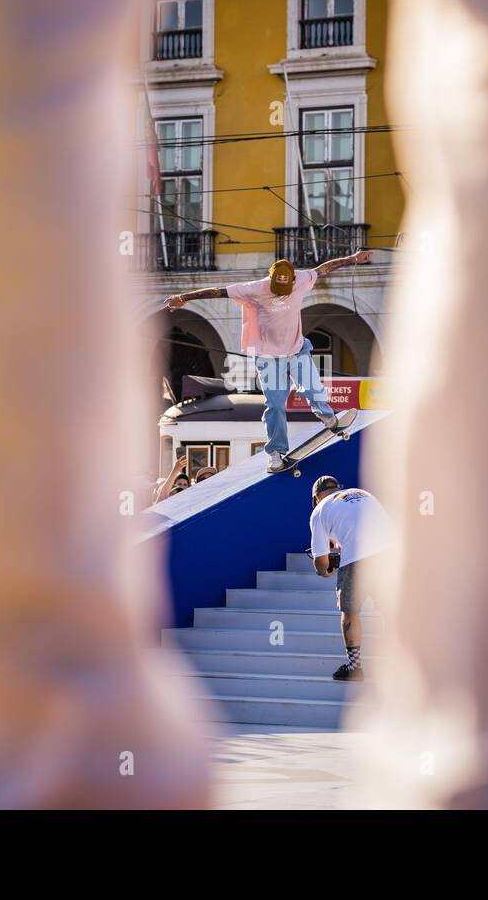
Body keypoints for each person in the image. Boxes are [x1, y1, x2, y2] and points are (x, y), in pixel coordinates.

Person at [163, 251, 372, 472]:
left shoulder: (301, 278)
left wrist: (352, 259)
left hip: (296, 350)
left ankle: (327, 416)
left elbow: (324, 269)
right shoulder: (255, 288)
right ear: (270, 279)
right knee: (274, 405)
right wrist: (184, 297)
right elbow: (218, 292)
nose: (280, 292)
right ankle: (275, 452)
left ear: (293, 279)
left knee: (313, 388)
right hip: (268, 356)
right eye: (276, 287)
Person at [308, 475, 391, 682]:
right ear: (338, 488)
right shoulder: (363, 494)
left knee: (350, 612)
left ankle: (354, 667)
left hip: (357, 558)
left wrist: (327, 571)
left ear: (316, 498)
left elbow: (320, 562)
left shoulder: (319, 511)